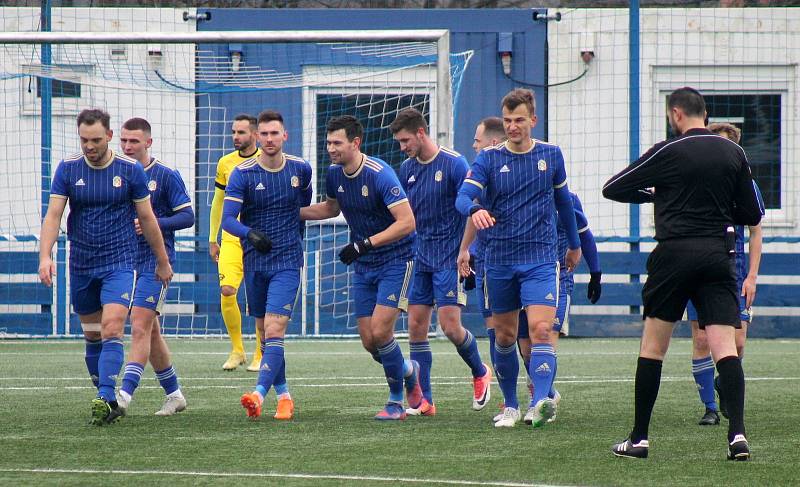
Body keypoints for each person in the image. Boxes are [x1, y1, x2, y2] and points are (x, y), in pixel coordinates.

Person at [603, 87, 763, 460]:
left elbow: (614, 187)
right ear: (704, 115)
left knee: (654, 347)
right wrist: (722, 211)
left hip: (673, 255)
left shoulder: (668, 150)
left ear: (676, 114)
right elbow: (752, 213)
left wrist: (656, 194)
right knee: (725, 348)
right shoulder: (734, 152)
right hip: (716, 255)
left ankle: (639, 439)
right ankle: (737, 435)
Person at [456, 89, 582, 428]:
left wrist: (574, 243)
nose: (513, 126)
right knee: (505, 336)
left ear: (533, 120)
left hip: (540, 258)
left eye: (519, 120)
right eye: (508, 120)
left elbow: (564, 203)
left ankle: (540, 401)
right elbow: (464, 195)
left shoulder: (551, 156)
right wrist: (474, 209)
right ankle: (510, 405)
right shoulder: (488, 159)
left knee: (541, 329)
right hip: (498, 259)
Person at [38, 109, 173, 425]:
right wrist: (45, 255)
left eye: (96, 140)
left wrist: (162, 260)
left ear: (109, 136)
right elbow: (53, 215)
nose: (89, 146)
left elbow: (149, 218)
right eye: (84, 140)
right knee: (93, 336)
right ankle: (107, 397)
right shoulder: (68, 169)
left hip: (121, 263)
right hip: (82, 263)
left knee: (113, 327)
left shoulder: (129, 170)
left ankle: (105, 396)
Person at [300, 115, 423, 420]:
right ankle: (408, 370)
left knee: (382, 332)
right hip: (364, 265)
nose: (330, 148)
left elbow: (407, 223)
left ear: (355, 143)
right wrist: (290, 213)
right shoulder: (334, 174)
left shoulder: (380, 174)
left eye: (336, 142)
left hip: (397, 259)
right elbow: (331, 208)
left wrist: (365, 244)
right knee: (370, 343)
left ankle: (396, 402)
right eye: (328, 142)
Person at [392, 108, 491, 417]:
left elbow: (473, 208)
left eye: (405, 140)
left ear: (421, 133)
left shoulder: (454, 163)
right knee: (416, 328)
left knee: (450, 327)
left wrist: (466, 250)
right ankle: (426, 401)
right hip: (419, 258)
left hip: (449, 258)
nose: (402, 146)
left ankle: (479, 370)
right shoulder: (406, 168)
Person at [223, 110, 311, 421]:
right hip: (255, 262)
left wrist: (292, 239)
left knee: (275, 328)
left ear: (285, 136)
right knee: (264, 332)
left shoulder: (301, 169)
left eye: (275, 134)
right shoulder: (242, 174)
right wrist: (250, 234)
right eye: (265, 134)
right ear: (258, 137)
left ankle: (258, 394)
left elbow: (303, 209)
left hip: (287, 260)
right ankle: (285, 396)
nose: (270, 139)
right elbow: (227, 220)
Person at [686, 122, 764, 426]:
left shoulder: (747, 186)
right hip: (699, 267)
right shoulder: (698, 184)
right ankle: (710, 407)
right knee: (702, 338)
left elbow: (756, 233)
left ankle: (725, 384)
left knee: (738, 342)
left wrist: (752, 276)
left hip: (735, 271)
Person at [115, 117, 192, 416]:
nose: (127, 146)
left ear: (148, 142)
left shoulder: (165, 175)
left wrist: (152, 224)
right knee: (151, 331)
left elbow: (187, 216)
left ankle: (123, 396)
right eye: (123, 140)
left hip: (154, 263)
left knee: (139, 326)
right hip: (121, 260)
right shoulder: (115, 174)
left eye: (134, 141)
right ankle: (174, 395)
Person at [512, 191, 602, 424]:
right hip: (524, 277)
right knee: (526, 349)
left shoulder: (567, 200)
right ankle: (549, 393)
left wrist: (596, 273)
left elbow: (585, 235)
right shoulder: (518, 195)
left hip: (558, 279)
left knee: (545, 335)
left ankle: (538, 404)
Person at [209, 114, 263, 371]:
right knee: (227, 290)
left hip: (258, 239)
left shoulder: (266, 160)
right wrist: (212, 238)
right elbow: (218, 202)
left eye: (241, 132)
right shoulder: (225, 163)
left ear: (254, 134)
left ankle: (260, 354)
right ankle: (237, 350)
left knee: (259, 297)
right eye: (233, 132)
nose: (235, 137)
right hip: (231, 237)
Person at [459, 117, 506, 379]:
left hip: (526, 260)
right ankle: (508, 397)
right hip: (488, 260)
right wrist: (466, 249)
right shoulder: (479, 172)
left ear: (493, 142)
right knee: (496, 330)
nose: (473, 145)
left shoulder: (535, 163)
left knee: (530, 331)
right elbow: (470, 206)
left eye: (477, 140)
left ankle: (541, 389)